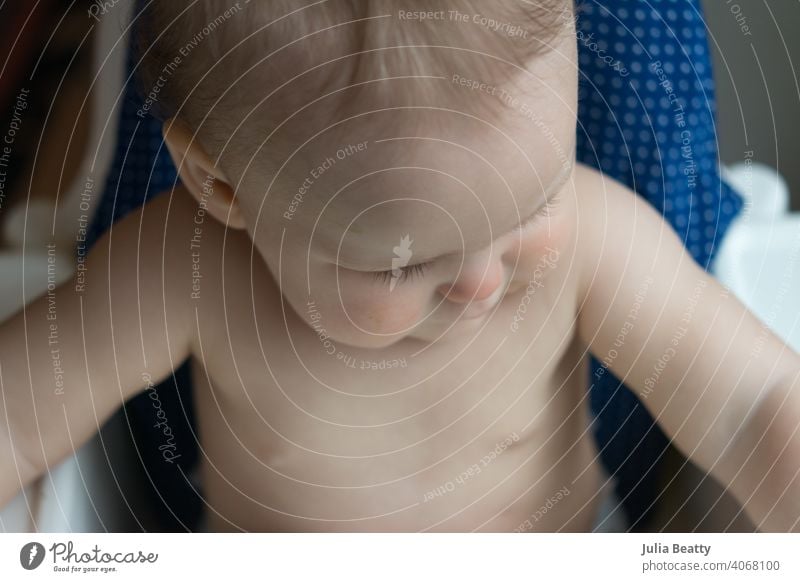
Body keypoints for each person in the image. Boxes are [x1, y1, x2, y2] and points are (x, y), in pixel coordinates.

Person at [1, 0, 797, 532]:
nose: (485, 283)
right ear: (223, 185)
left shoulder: (596, 240)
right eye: (400, 265)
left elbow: (754, 403)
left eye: (532, 205)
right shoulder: (184, 270)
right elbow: (18, 414)